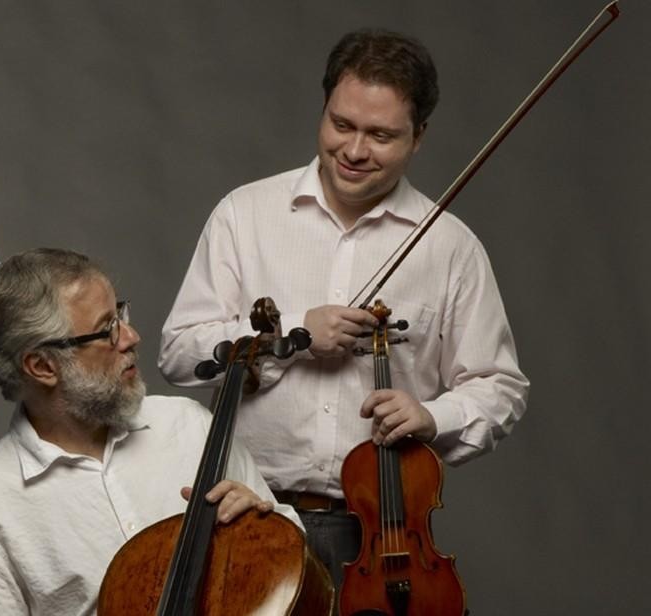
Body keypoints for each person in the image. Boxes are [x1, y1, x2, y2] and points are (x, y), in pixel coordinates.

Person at [158, 29, 529, 587]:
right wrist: (291, 339)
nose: (355, 151)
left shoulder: (450, 246)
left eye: (381, 135)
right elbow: (179, 354)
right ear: (324, 108)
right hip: (247, 514)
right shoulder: (245, 214)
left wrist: (433, 416)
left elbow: (500, 387)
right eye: (342, 125)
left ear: (419, 136)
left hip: (382, 536)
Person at [0, 248, 302, 615]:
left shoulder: (189, 425)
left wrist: (262, 530)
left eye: (121, 315)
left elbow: (296, 552)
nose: (131, 336)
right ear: (43, 366)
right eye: (107, 329)